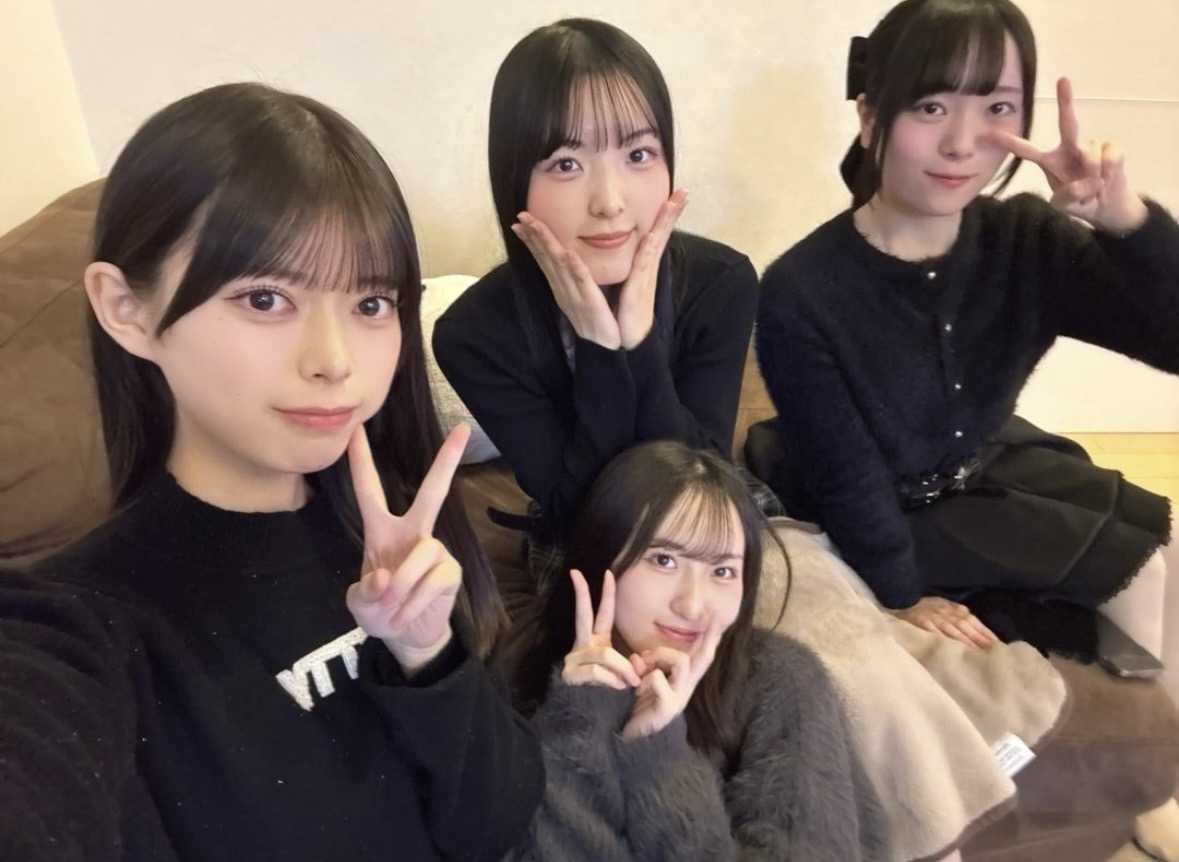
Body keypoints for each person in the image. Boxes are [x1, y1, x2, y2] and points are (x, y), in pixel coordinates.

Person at [0, 83, 542, 862]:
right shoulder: (75, 630)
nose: (334, 361)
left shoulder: (386, 529)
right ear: (126, 309)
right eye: (265, 298)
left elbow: (498, 822)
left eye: (371, 303)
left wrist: (428, 655)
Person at [755, 0, 1176, 661]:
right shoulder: (799, 290)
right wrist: (899, 594)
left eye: (996, 108)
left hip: (981, 467)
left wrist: (1126, 223)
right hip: (873, 516)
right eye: (931, 107)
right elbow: (848, 482)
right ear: (870, 117)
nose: (961, 142)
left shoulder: (1024, 237)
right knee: (1141, 576)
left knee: (1165, 545)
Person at [433, 18, 759, 584]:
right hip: (579, 551)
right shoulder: (472, 334)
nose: (609, 202)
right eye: (566, 163)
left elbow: (701, 490)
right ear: (514, 181)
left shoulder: (721, 283)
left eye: (638, 154)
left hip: (709, 542)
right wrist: (600, 346)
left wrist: (639, 341)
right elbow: (575, 510)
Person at [503, 440, 887, 862]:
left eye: (722, 571)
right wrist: (578, 717)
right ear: (603, 553)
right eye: (663, 560)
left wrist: (658, 756)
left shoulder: (784, 680)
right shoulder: (524, 663)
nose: (692, 605)